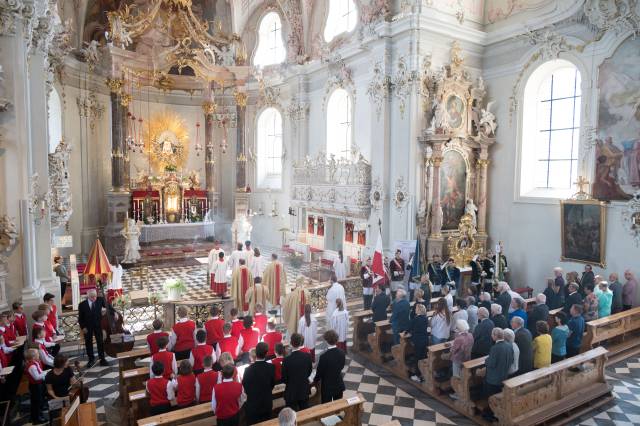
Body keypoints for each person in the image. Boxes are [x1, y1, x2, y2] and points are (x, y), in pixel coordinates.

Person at [242, 342, 276, 424]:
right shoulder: (271, 367)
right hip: (266, 403)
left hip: (253, 405)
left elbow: (245, 387)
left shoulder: (248, 370)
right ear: (266, 353)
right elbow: (272, 384)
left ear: (256, 352)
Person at [282, 333, 313, 410]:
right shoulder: (307, 356)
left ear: (290, 343)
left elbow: (284, 378)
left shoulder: (286, 360)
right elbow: (309, 371)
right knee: (304, 411)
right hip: (304, 389)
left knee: (291, 415)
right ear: (300, 343)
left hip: (291, 391)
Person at [77, 289, 108, 367]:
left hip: (98, 325)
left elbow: (108, 306)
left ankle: (102, 359)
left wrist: (114, 312)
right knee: (88, 343)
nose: (94, 298)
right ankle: (91, 360)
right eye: (92, 297)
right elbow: (80, 318)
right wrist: (83, 327)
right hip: (87, 327)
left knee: (100, 342)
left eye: (95, 296)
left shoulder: (100, 300)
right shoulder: (82, 305)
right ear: (88, 296)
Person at [314, 330, 346, 402]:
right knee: (337, 407)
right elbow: (342, 366)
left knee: (326, 407)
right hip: (338, 384)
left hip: (327, 386)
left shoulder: (324, 357)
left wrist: (315, 380)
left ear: (326, 341)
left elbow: (320, 372)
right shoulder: (342, 352)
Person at [483, 328, 513, 401]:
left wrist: (486, 360)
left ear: (495, 336)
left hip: (494, 379)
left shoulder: (495, 348)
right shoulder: (509, 345)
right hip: (504, 375)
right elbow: (511, 360)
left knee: (491, 398)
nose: (491, 336)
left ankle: (489, 411)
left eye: (492, 334)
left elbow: (491, 364)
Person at [408, 303, 429, 382]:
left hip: (418, 340)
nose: (415, 310)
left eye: (416, 308)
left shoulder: (416, 319)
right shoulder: (425, 318)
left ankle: (417, 375)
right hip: (425, 340)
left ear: (418, 310)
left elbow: (410, 327)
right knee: (423, 357)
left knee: (417, 358)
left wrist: (406, 332)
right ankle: (423, 374)